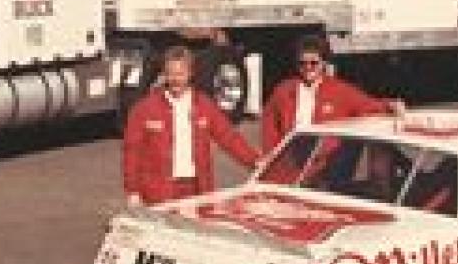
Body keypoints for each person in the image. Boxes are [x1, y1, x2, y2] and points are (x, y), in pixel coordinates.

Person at [123, 45, 259, 206]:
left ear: (190, 73)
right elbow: (132, 151)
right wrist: (133, 190)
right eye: (170, 74)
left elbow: (228, 137)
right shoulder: (144, 109)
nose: (175, 79)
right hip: (159, 192)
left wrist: (255, 161)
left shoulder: (204, 105)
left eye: (180, 74)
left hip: (197, 188)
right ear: (164, 74)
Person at [260, 35, 405, 154]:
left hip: (323, 163)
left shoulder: (339, 90)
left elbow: (366, 105)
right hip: (290, 159)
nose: (308, 67)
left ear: (323, 63)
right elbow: (269, 122)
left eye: (313, 63)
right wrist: (271, 154)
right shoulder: (284, 90)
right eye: (302, 63)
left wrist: (389, 105)